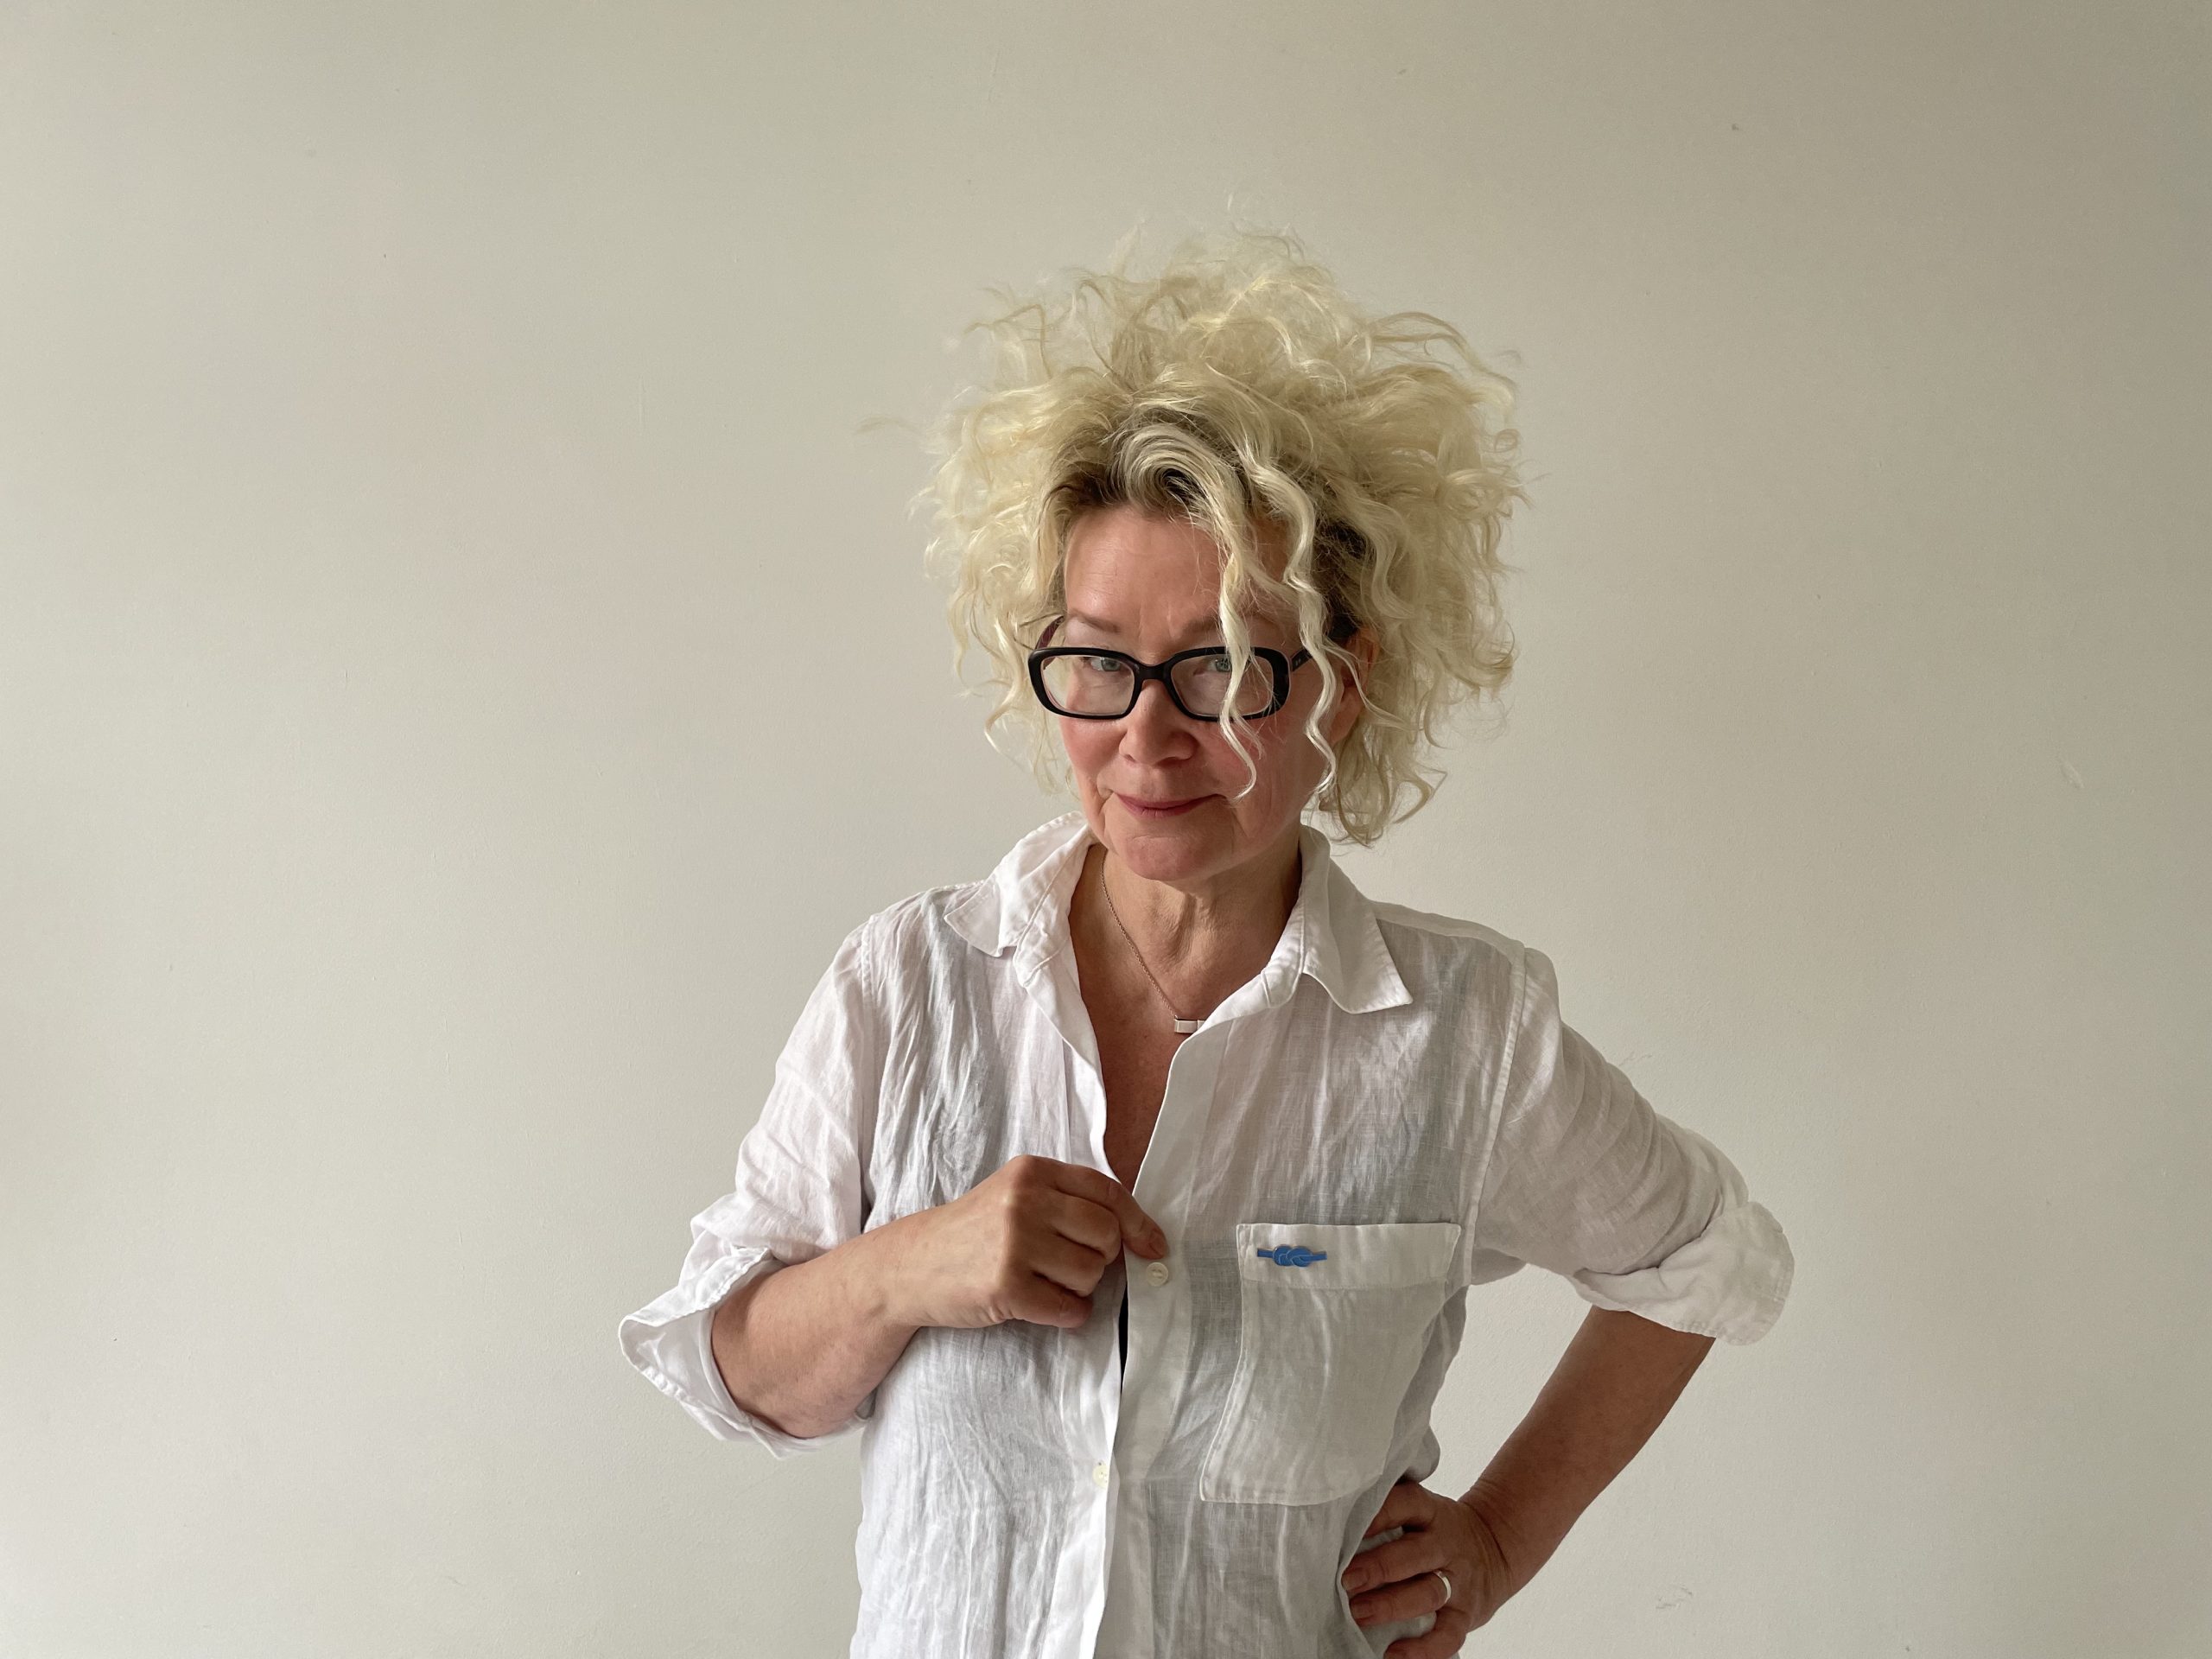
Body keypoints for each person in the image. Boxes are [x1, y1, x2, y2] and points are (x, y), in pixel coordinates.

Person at [617, 226, 1794, 1659]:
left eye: (1223, 664)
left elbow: (1705, 1261)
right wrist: (910, 1266)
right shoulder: (908, 989)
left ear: (1339, 686)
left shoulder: (1465, 1033)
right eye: (1099, 659)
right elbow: (732, 1371)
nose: (1147, 732)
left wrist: (1494, 1540)